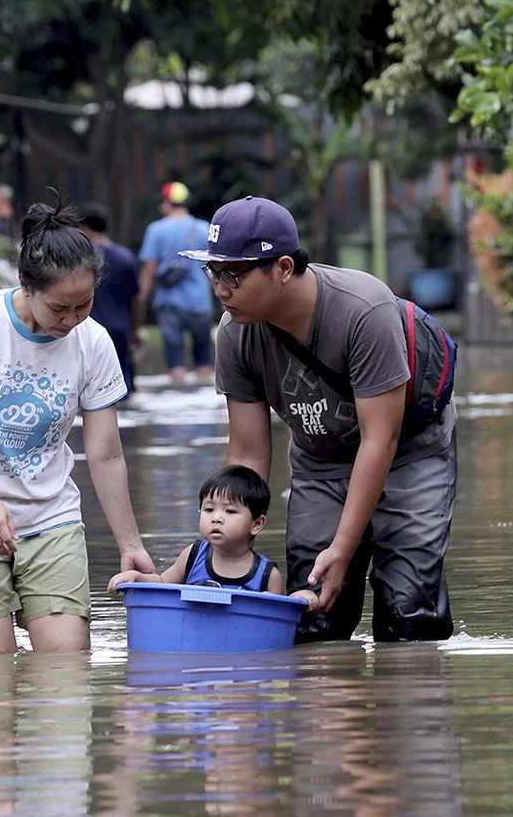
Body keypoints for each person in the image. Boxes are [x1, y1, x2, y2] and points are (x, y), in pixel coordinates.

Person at [180, 196, 457, 644]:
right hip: (319, 459)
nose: (220, 289)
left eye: (234, 274)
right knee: (311, 615)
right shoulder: (235, 334)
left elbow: (379, 440)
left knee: (408, 617)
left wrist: (344, 549)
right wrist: (225, 544)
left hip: (408, 451)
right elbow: (248, 452)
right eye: (213, 272)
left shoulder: (363, 312)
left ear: (284, 268)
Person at [0, 195, 156, 655]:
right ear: (26, 285)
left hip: (51, 517)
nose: (71, 320)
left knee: (67, 669)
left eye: (83, 305)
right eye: (58, 308)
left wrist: (131, 543)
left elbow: (105, 452)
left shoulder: (94, 342)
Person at [107, 464, 314, 599]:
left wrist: (298, 599)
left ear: (257, 524)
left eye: (230, 511)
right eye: (208, 509)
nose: (216, 517)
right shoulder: (194, 555)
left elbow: (276, 616)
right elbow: (162, 583)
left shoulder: (266, 575)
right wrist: (136, 578)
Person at [137, 181, 215, 386]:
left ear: (167, 203)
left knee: (176, 363)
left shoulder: (156, 230)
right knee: (204, 361)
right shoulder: (204, 228)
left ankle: (179, 391)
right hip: (200, 301)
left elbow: (148, 270)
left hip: (169, 303)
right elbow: (215, 265)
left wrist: (140, 301)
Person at [79, 203, 141, 401]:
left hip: (90, 331)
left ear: (85, 228)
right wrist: (135, 329)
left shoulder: (81, 259)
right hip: (120, 331)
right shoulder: (126, 257)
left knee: (90, 392)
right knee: (124, 390)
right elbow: (136, 299)